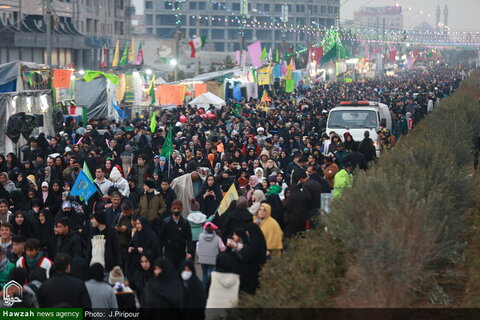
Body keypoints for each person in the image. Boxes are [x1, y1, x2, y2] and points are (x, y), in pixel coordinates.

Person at [158, 200, 194, 270]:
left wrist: (190, 251)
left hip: (181, 252)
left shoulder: (185, 223)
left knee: (180, 272)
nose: (176, 210)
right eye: (174, 209)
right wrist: (159, 252)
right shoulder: (166, 222)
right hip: (169, 252)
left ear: (181, 210)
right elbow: (161, 238)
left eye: (178, 209)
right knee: (171, 272)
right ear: (171, 209)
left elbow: (189, 238)